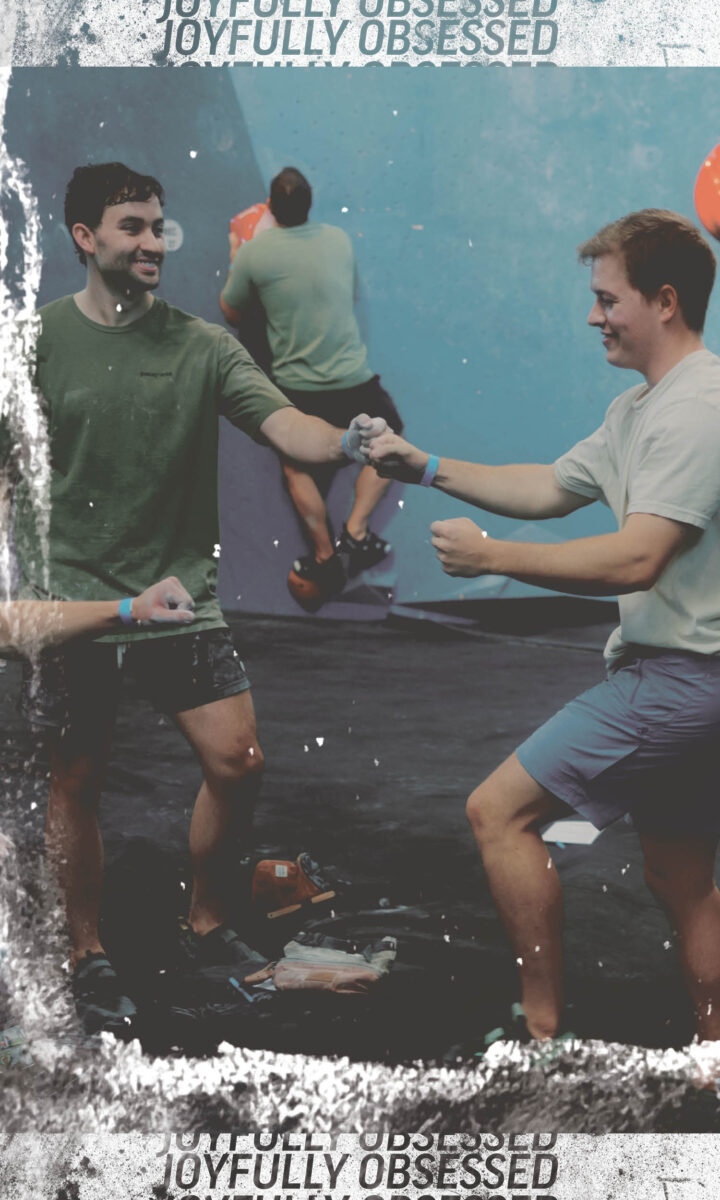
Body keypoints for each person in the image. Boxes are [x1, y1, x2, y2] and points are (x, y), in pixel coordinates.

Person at [3, 161, 382, 1032]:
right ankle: (85, 952)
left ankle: (207, 922)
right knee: (78, 779)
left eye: (157, 227)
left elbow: (290, 426)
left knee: (238, 761)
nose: (151, 243)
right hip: (74, 602)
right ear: (84, 238)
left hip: (179, 598)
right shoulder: (31, 343)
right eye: (131, 227)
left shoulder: (204, 345)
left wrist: (351, 436)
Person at [367, 209, 720, 1047]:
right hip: (684, 682)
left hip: (679, 682)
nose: (593, 316)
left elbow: (638, 559)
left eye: (607, 299)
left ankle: (543, 1037)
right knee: (681, 876)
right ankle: (715, 1047)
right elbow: (547, 485)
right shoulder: (641, 409)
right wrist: (426, 466)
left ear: (664, 301)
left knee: (501, 813)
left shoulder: (700, 410)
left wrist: (498, 560)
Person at [220, 166, 404, 605]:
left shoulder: (255, 252)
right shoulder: (338, 240)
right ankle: (356, 531)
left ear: (270, 206)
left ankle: (324, 555)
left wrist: (236, 254)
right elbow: (351, 293)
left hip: (298, 387)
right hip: (352, 379)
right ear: (310, 203)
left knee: (295, 465)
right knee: (389, 441)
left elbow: (231, 311)